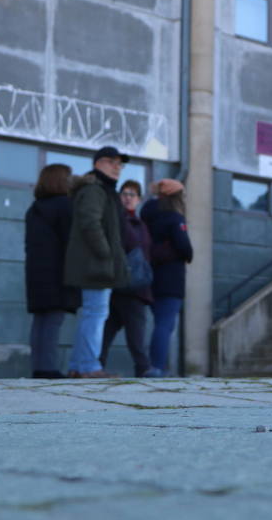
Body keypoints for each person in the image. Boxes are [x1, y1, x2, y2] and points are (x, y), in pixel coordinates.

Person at [64, 146, 130, 379]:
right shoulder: (95, 190)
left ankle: (78, 366)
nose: (117, 167)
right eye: (111, 162)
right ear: (97, 163)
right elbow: (90, 223)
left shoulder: (103, 190)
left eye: (120, 164)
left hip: (96, 265)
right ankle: (89, 367)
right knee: (96, 314)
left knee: (92, 314)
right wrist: (106, 254)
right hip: (96, 266)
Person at [24, 163, 81, 379]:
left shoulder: (35, 208)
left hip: (36, 273)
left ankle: (39, 367)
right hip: (58, 273)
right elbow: (71, 242)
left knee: (40, 321)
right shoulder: (65, 205)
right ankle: (47, 369)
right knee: (53, 321)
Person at [99, 179, 153, 377]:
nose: (128, 198)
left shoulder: (141, 224)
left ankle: (142, 368)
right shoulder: (118, 220)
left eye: (133, 194)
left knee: (133, 333)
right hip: (119, 285)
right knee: (110, 331)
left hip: (136, 287)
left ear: (139, 199)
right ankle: (142, 368)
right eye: (125, 194)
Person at [141, 179, 192, 377]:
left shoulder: (147, 215)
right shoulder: (174, 218)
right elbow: (185, 248)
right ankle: (157, 367)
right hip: (171, 279)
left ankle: (157, 365)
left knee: (159, 323)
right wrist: (188, 253)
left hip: (150, 277)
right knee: (165, 324)